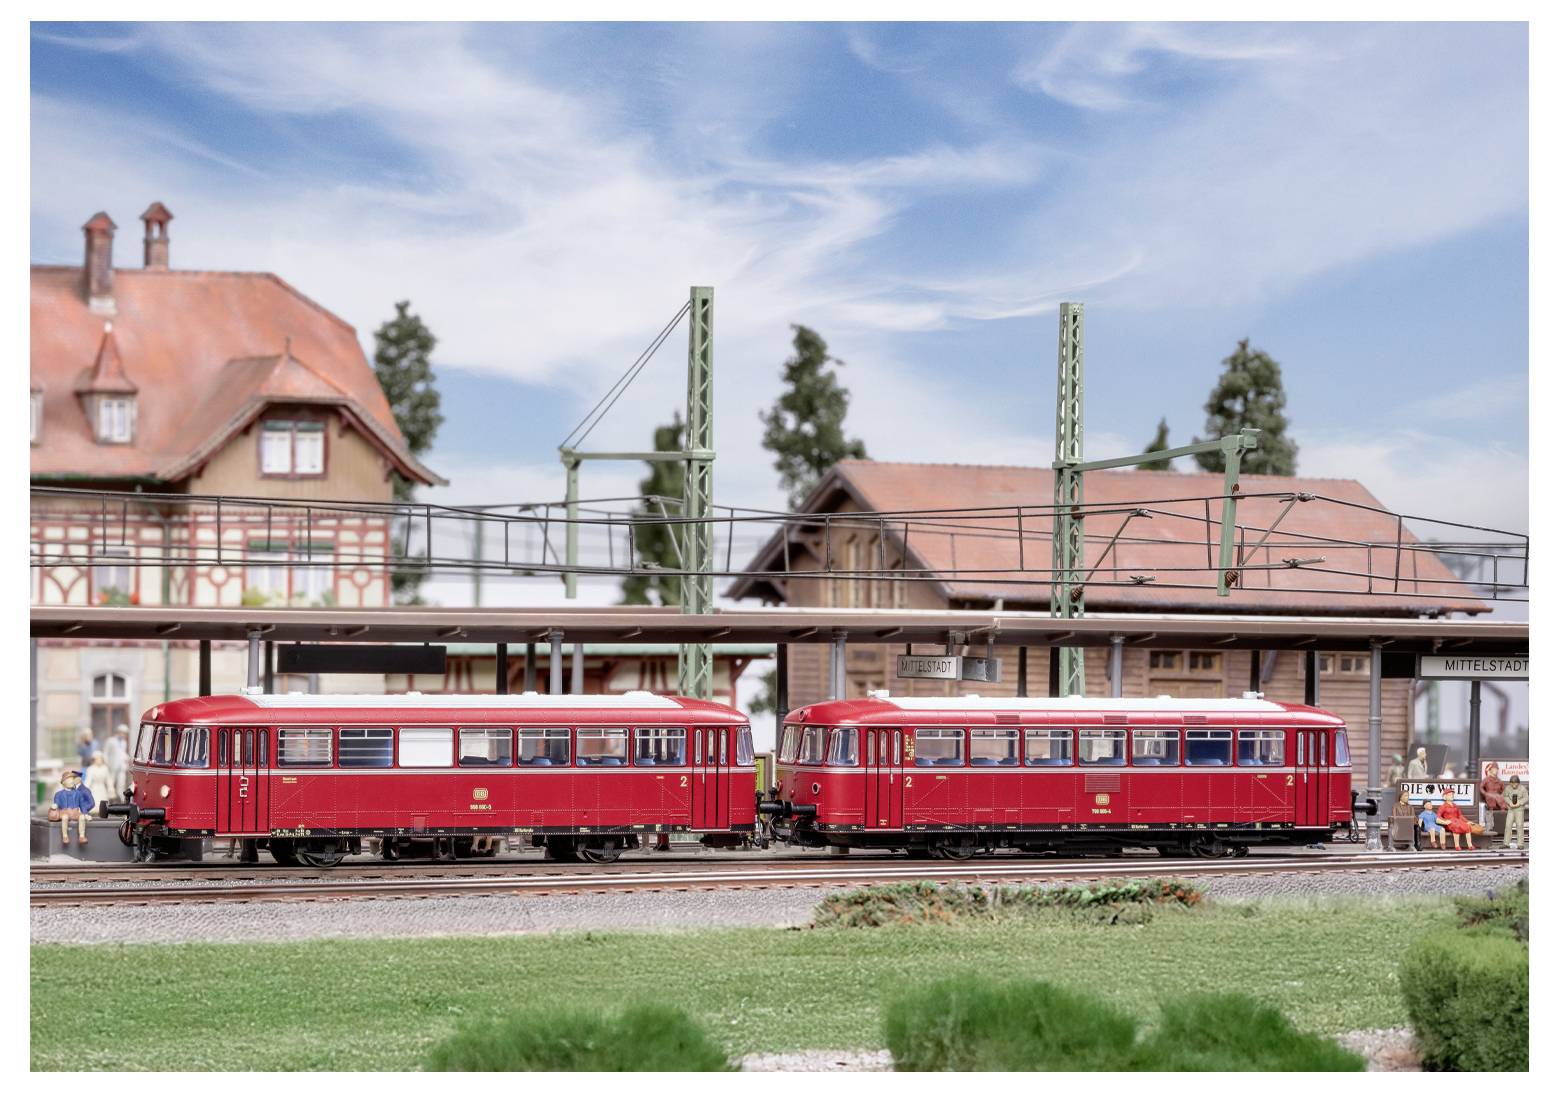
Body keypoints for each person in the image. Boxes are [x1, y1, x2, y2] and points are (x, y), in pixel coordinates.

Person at [52, 769, 95, 848]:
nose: (72, 781)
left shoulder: (78, 793)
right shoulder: (58, 794)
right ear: (63, 782)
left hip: (75, 813)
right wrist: (55, 806)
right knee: (65, 817)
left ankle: (82, 836)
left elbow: (82, 805)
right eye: (69, 779)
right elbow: (56, 803)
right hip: (64, 812)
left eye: (72, 779)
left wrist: (85, 814)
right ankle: (65, 836)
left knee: (82, 817)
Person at [104, 725, 130, 802]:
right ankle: (108, 800)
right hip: (112, 766)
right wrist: (107, 764)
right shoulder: (111, 741)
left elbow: (122, 753)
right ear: (119, 732)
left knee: (121, 784)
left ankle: (121, 800)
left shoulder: (124, 742)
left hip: (121, 767)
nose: (124, 735)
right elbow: (105, 753)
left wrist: (127, 757)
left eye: (125, 733)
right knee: (110, 784)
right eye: (123, 733)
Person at [1503, 776, 1527, 851]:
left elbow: (1526, 798)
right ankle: (1506, 843)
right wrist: (1509, 802)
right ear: (1510, 783)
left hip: (1519, 810)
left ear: (1518, 783)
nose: (1513, 785)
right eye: (1512, 783)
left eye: (1515, 783)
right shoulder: (1508, 788)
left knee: (1519, 825)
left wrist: (1519, 803)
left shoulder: (1523, 789)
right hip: (1511, 809)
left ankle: (1520, 844)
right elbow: (1505, 796)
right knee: (1508, 825)